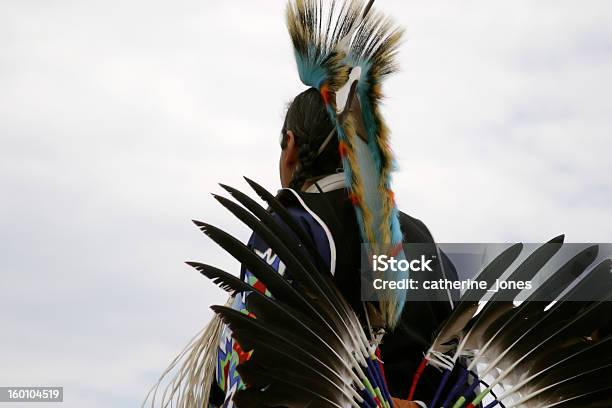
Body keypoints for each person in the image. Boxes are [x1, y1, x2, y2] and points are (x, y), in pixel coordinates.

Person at [208, 87, 457, 407]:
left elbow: (250, 380)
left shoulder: (291, 226)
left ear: (291, 145)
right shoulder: (419, 238)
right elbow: (460, 368)